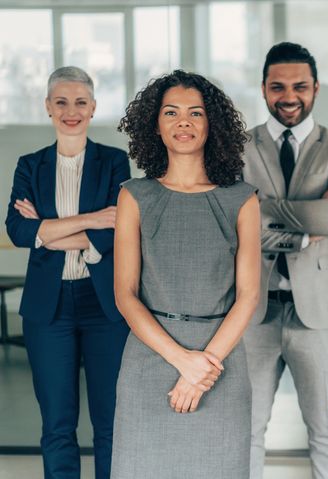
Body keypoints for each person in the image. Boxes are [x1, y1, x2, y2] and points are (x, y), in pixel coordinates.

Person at [111, 70, 260, 478]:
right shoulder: (134, 195)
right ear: (155, 125)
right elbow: (125, 294)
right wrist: (183, 362)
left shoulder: (241, 199)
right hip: (149, 360)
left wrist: (201, 370)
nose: (184, 122)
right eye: (171, 112)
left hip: (221, 363)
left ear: (212, 125)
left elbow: (248, 295)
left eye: (196, 113)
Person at [4, 66, 130, 479]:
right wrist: (92, 219)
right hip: (48, 307)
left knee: (110, 423)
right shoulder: (30, 165)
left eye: (80, 102)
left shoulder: (114, 162)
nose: (70, 110)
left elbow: (117, 233)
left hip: (104, 306)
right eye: (61, 102)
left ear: (93, 108)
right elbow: (19, 231)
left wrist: (48, 230)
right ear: (48, 107)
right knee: (57, 424)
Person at [241, 41, 328, 479]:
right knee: (246, 430)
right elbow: (234, 221)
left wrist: (264, 208)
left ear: (316, 88)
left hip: (322, 313)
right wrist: (306, 231)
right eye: (278, 86)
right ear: (264, 89)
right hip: (253, 309)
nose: (289, 96)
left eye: (300, 86)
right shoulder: (237, 147)